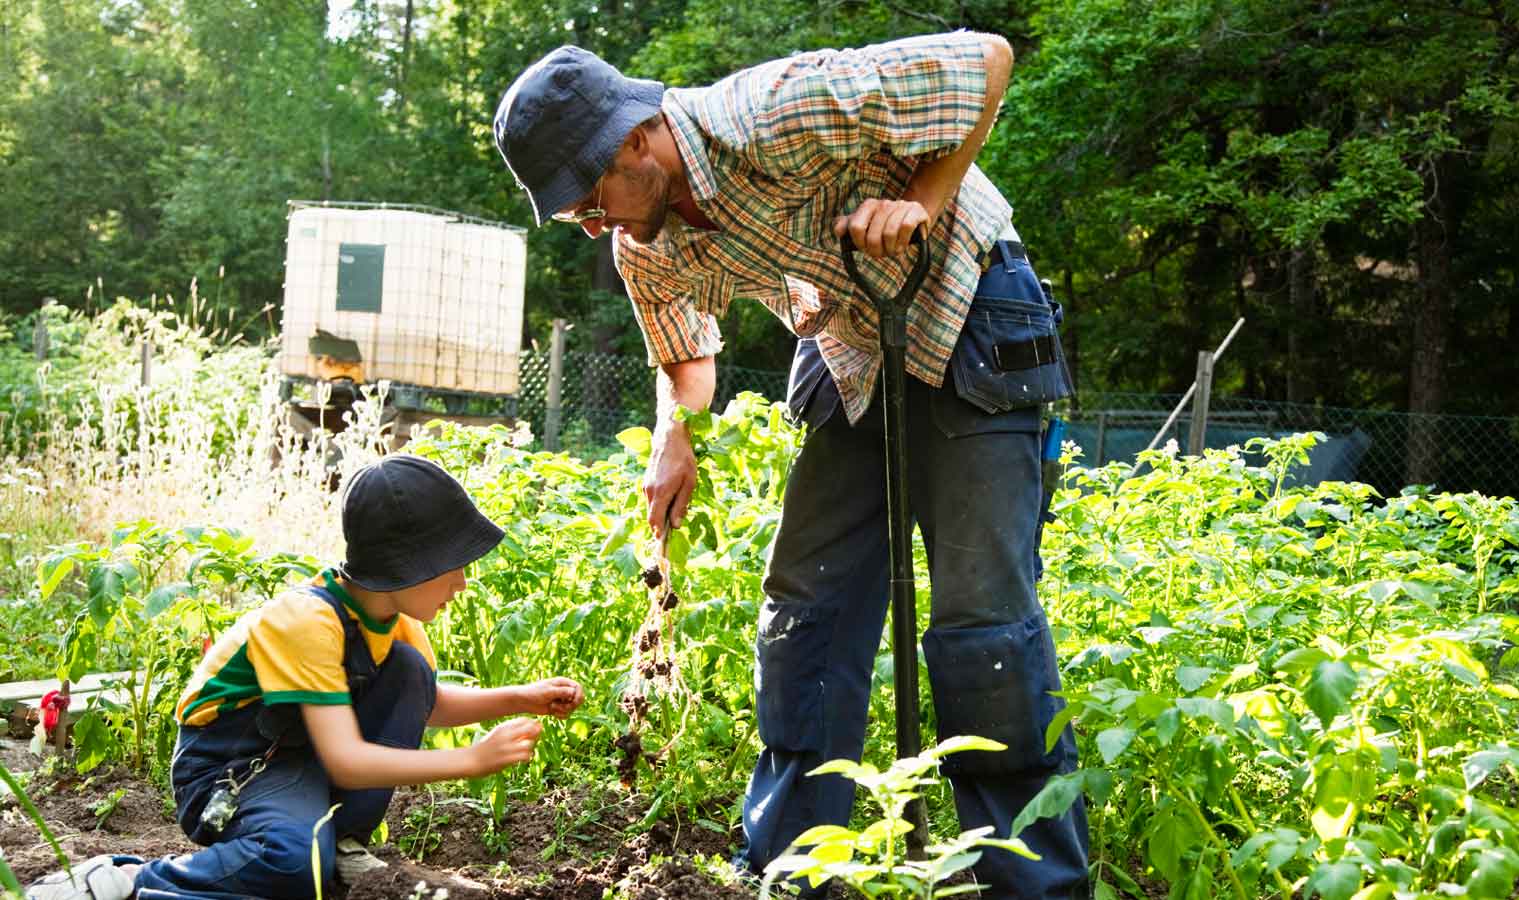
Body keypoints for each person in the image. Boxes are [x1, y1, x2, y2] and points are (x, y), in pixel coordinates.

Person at [493, 32, 1090, 898]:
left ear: (636, 139)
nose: (595, 222)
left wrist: (923, 198)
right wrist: (674, 438)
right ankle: (787, 866)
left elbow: (987, 59)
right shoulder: (643, 243)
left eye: (592, 197)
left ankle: (1029, 885)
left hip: (968, 300)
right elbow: (686, 356)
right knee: (805, 608)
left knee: (982, 620)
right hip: (850, 333)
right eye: (576, 213)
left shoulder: (771, 109)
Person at [26, 455, 585, 900]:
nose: (462, 582)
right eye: (455, 564)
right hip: (230, 766)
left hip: (300, 756)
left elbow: (427, 703)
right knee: (290, 864)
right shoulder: (308, 618)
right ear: (408, 564)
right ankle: (126, 883)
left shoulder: (393, 618)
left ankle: (337, 843)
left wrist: (521, 698)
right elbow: (346, 760)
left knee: (411, 673)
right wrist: (470, 761)